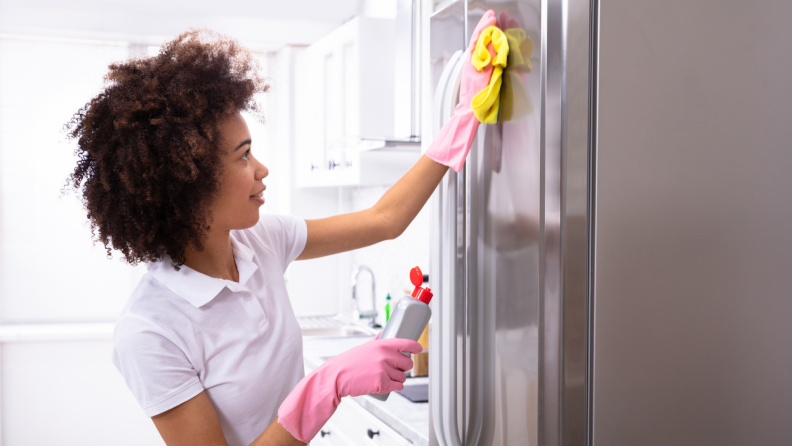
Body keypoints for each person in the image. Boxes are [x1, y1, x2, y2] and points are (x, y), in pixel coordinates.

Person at [66, 11, 501, 446]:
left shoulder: (261, 239)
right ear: (189, 185)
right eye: (243, 156)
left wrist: (463, 116)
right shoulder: (149, 332)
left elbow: (384, 220)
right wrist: (325, 384)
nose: (261, 169)